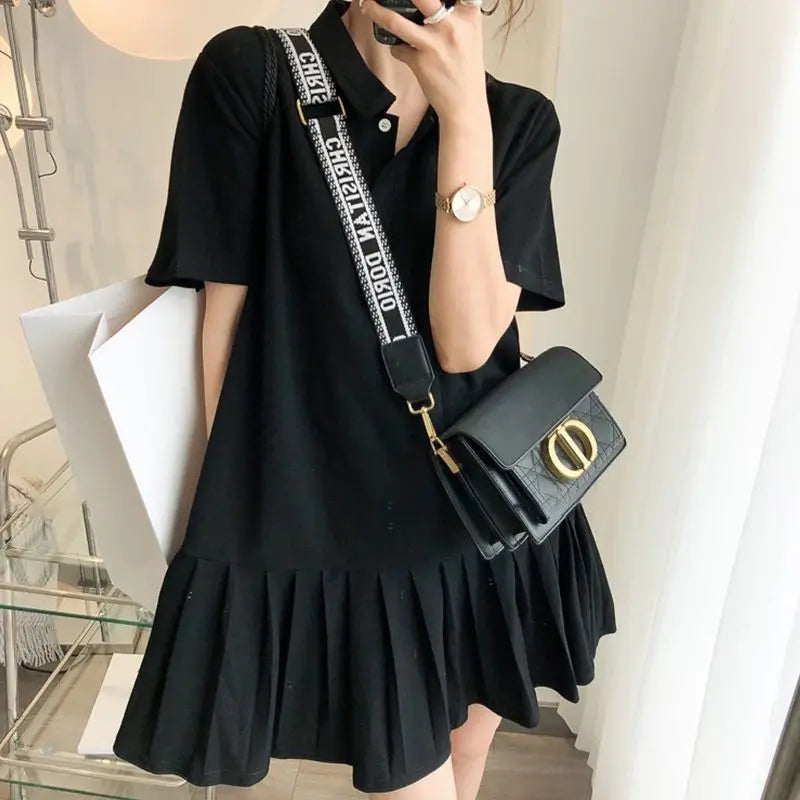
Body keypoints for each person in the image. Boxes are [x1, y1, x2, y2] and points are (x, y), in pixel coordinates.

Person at [111, 1, 617, 798]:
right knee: (413, 776)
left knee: (468, 755)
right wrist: (223, 519)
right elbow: (224, 323)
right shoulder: (252, 76)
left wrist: (465, 119)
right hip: (344, 531)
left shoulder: (516, 121)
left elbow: (467, 344)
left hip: (485, 510)